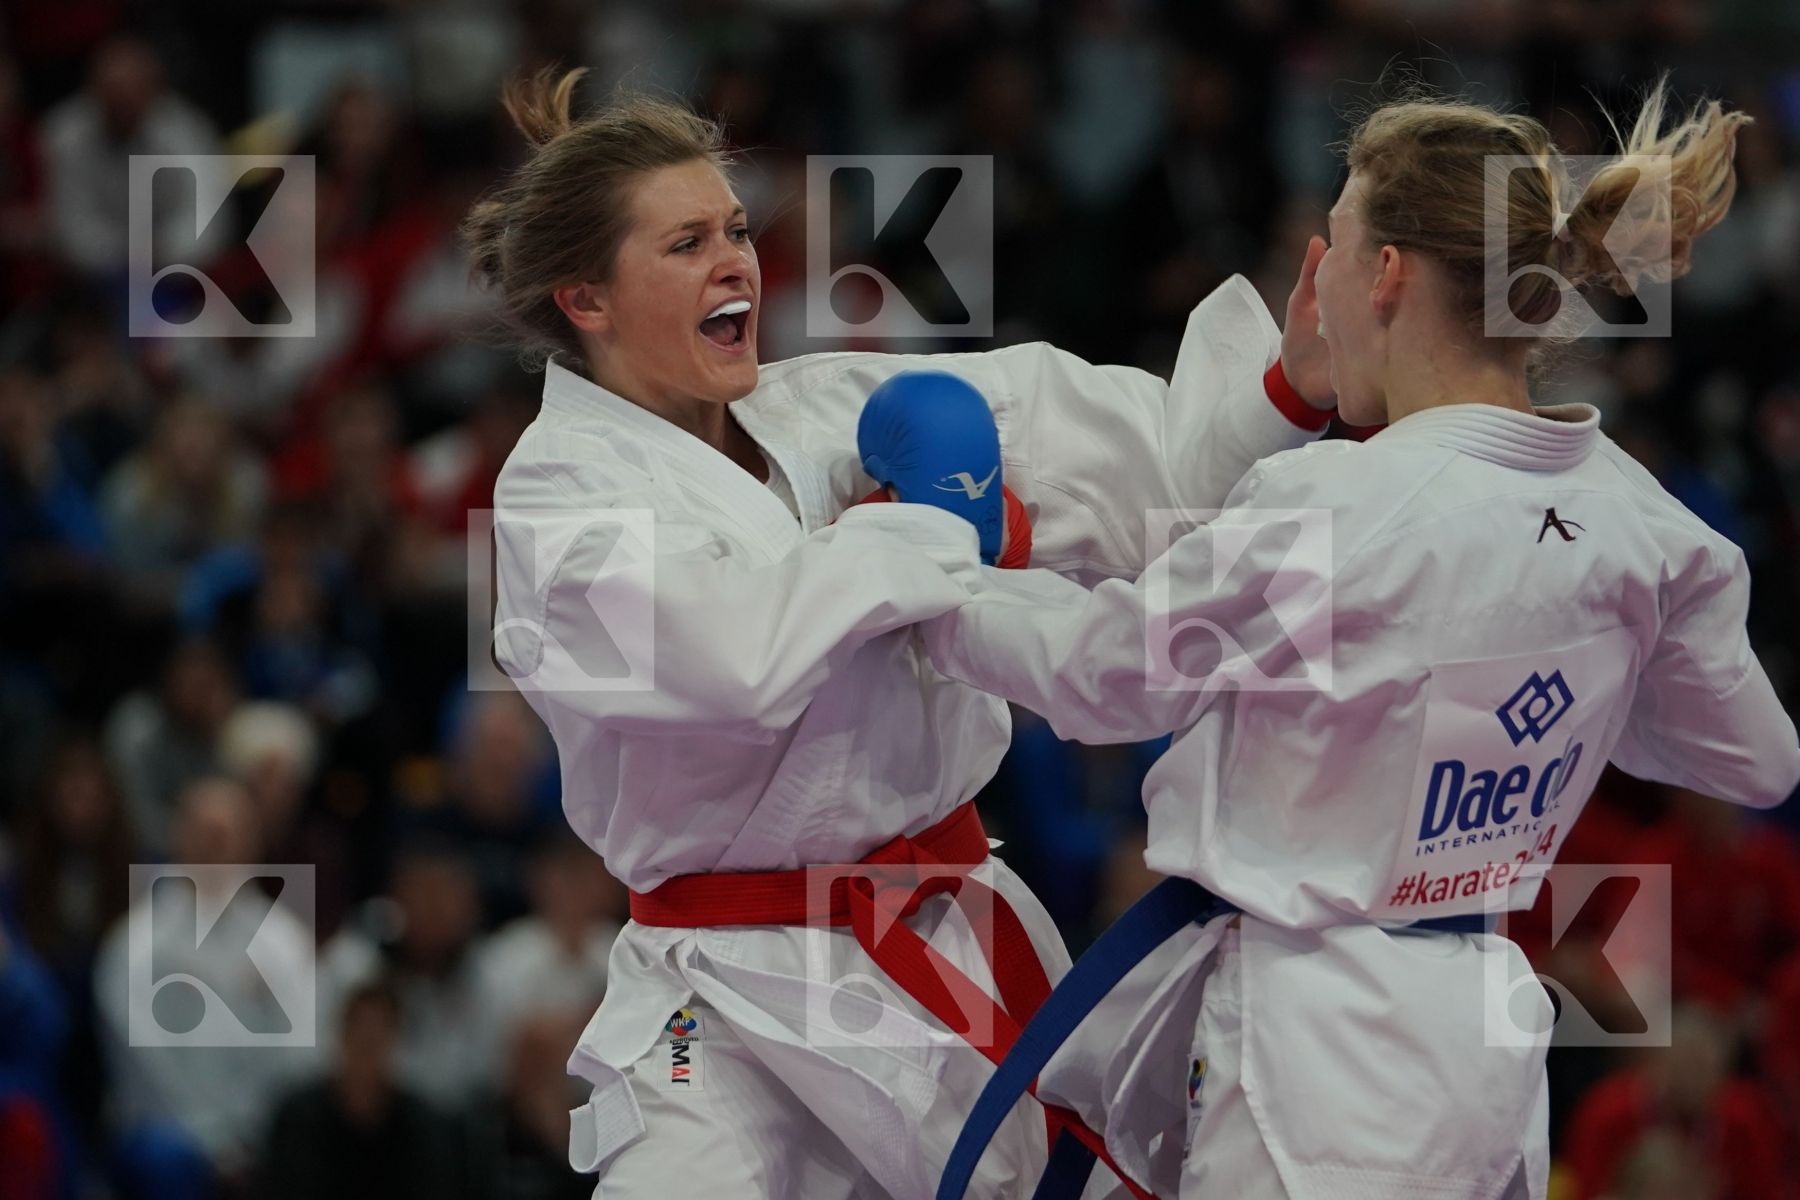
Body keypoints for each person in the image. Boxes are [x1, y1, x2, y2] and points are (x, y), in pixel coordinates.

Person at [905, 82, 1800, 1200]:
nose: (1313, 275)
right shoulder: (1657, 530)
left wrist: (924, 577)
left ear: (1382, 275)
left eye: (1330, 241)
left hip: (1312, 1053)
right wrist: (1562, 679)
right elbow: (1756, 762)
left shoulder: (1335, 502)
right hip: (1479, 1035)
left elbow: (1101, 681)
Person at [466, 67, 1337, 1199]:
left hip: (941, 925)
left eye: (735, 229)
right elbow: (732, 658)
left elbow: (1123, 457)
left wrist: (1284, 392)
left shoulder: (818, 406)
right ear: (587, 300)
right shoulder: (557, 498)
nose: (737, 260)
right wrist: (926, 528)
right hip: (719, 989)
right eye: (686, 245)